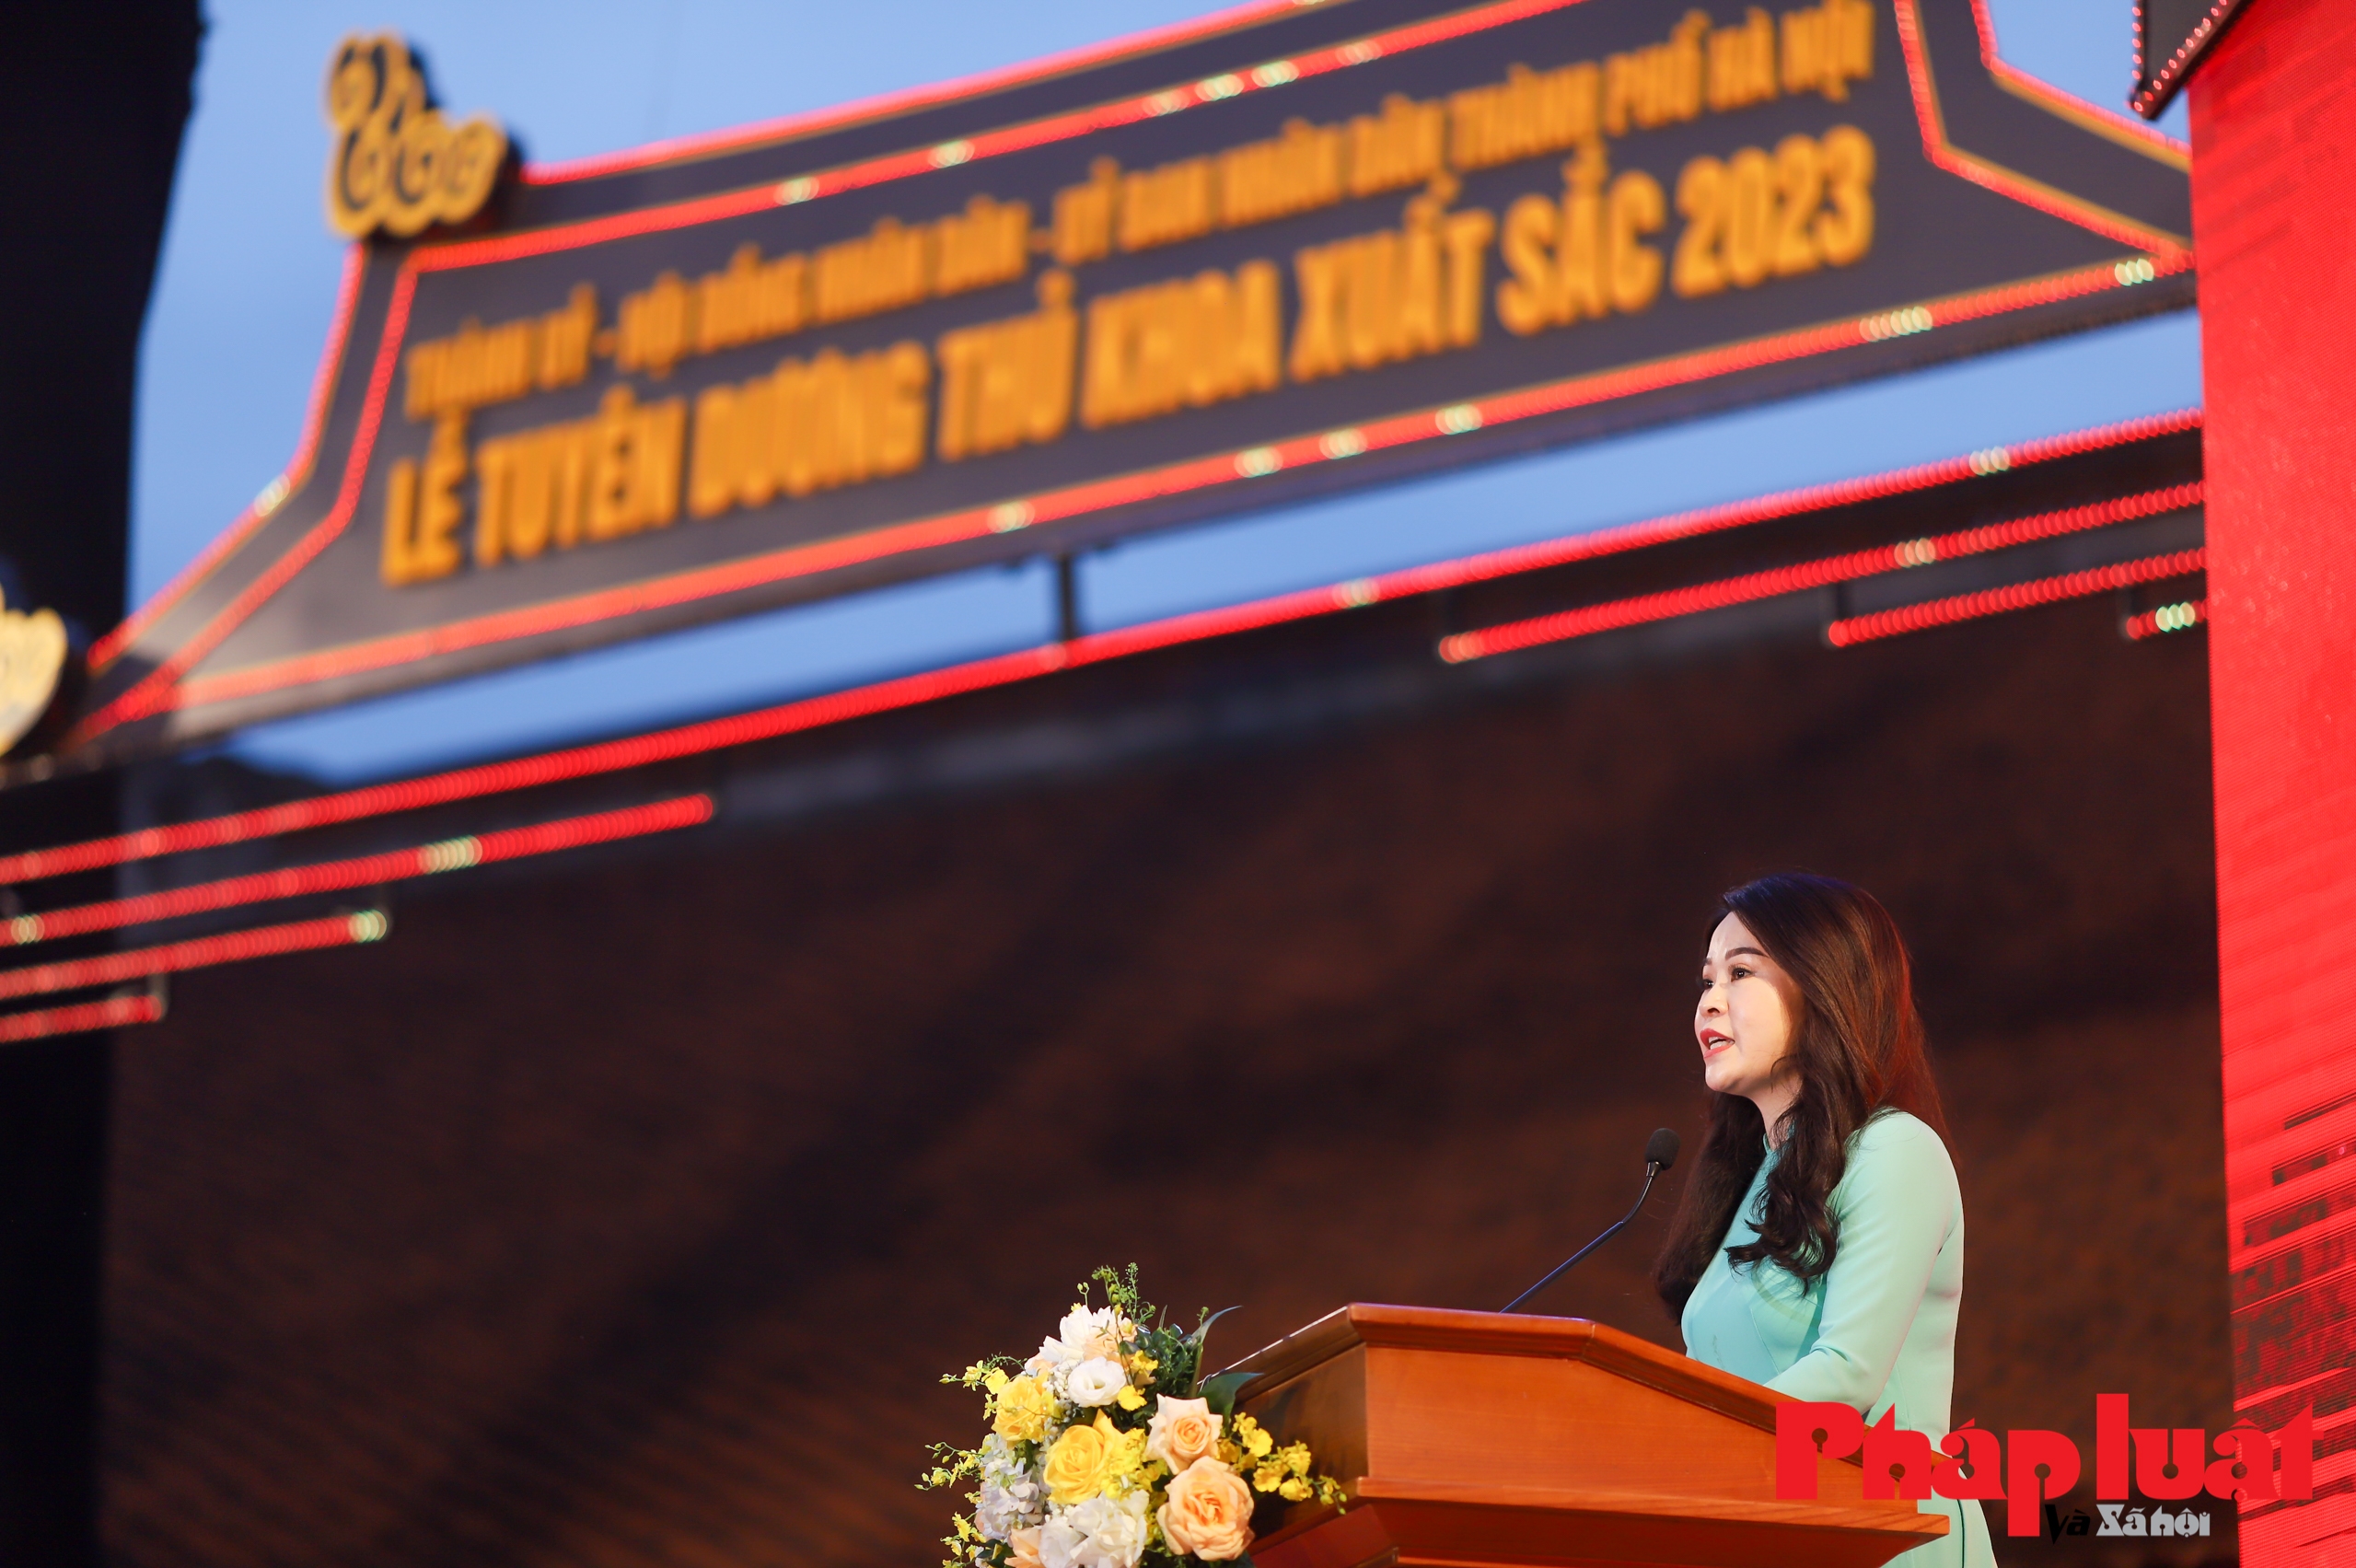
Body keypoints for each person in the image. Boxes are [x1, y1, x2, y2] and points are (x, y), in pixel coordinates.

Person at [1654, 873, 1995, 1568]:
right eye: (1707, 979)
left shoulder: (1894, 1150)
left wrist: (1676, 1452)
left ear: (1823, 987)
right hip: (1775, 1531)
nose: (1708, 1001)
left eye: (1740, 972)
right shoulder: (1755, 1179)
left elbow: (1846, 1375)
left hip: (1890, 1529)